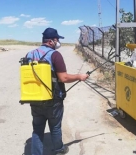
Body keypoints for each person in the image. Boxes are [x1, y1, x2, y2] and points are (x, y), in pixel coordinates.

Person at [25, 27, 89, 155]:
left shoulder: (29, 54)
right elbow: (63, 78)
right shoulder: (55, 55)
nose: (58, 42)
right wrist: (79, 76)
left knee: (37, 129)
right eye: (57, 40)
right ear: (51, 41)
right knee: (55, 126)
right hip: (53, 99)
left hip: (34, 98)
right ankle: (59, 150)